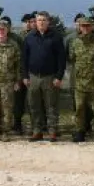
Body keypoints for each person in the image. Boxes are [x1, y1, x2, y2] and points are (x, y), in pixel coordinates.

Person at [21, 12, 66, 141]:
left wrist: (59, 77)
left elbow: (61, 59)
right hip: (33, 77)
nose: (41, 22)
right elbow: (24, 59)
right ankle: (37, 131)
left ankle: (52, 131)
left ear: (48, 22)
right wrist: (25, 76)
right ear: (36, 22)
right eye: (39, 20)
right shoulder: (29, 37)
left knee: (51, 105)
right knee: (34, 106)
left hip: (50, 77)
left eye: (43, 20)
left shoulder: (56, 37)